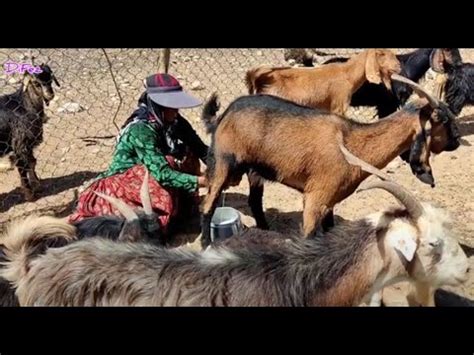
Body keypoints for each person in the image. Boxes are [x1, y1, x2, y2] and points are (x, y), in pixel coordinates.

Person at [69, 73, 209, 238]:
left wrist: (222, 169)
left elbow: (199, 148)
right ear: (159, 107)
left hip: (150, 177)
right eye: (172, 106)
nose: (177, 111)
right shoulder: (141, 130)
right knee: (168, 163)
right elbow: (162, 174)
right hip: (124, 185)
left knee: (186, 152)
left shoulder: (174, 122)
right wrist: (204, 181)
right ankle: (159, 225)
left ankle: (182, 209)